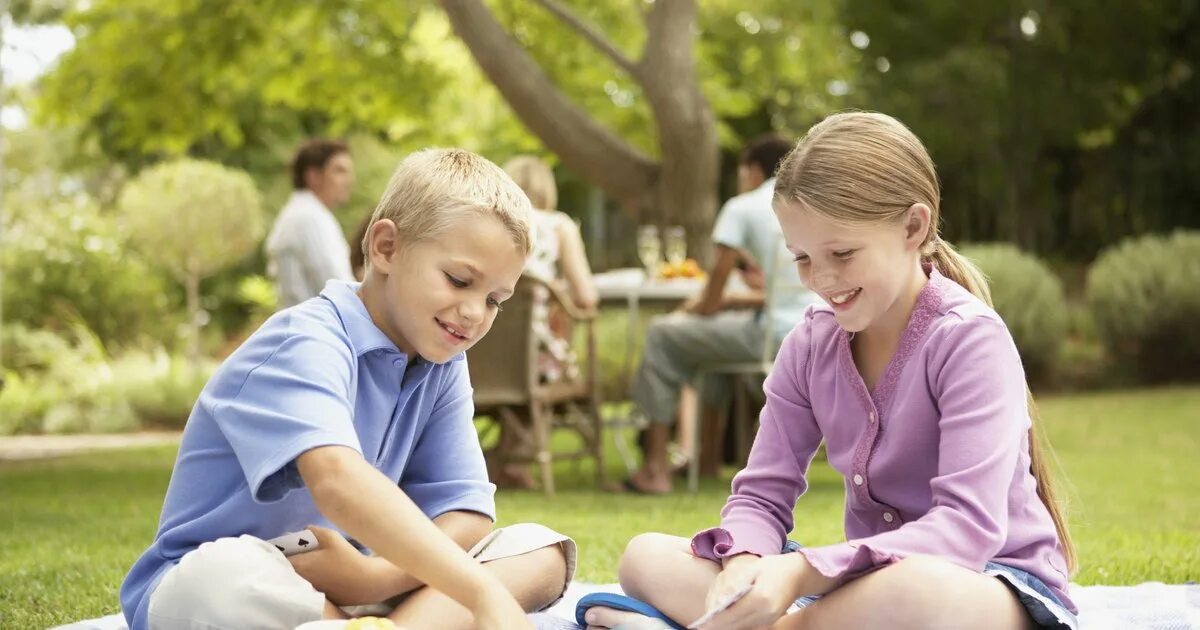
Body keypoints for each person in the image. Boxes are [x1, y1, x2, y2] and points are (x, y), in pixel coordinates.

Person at [586, 112, 1079, 629]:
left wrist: (800, 574)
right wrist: (746, 563)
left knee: (921, 590)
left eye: (842, 253)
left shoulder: (969, 340)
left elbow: (964, 532)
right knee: (644, 557)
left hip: (985, 585)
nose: (820, 280)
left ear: (914, 226)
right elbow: (760, 495)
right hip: (860, 591)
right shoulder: (809, 344)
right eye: (801, 257)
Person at [120, 149, 576, 630]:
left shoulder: (442, 361)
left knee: (540, 551)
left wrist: (375, 578)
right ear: (385, 248)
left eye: (493, 300)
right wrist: (480, 593)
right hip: (236, 579)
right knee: (222, 579)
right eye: (458, 280)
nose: (473, 313)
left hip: (349, 584)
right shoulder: (305, 339)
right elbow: (337, 480)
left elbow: (466, 510)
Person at [624, 135, 817, 494]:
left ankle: (654, 469)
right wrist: (733, 302)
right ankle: (707, 459)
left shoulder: (744, 206)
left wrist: (705, 305)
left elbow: (714, 288)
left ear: (755, 170)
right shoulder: (815, 205)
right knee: (708, 342)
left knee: (664, 335)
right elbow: (795, 291)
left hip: (772, 335)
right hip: (818, 326)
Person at [266, 138, 357, 309]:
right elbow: (337, 287)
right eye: (339, 171)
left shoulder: (301, 213)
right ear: (313, 176)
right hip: (317, 330)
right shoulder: (309, 218)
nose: (349, 180)